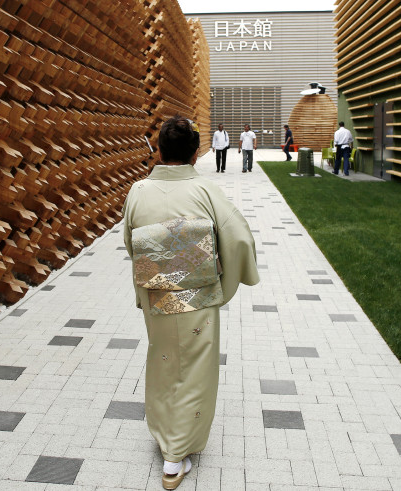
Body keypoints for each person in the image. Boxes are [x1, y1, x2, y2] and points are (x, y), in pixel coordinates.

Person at [124, 116, 259, 490]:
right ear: (196, 153)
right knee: (195, 369)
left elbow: (130, 244)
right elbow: (240, 240)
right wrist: (226, 281)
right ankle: (174, 456)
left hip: (157, 293)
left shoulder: (138, 191)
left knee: (163, 361)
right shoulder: (205, 190)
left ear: (161, 149)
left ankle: (165, 433)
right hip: (197, 297)